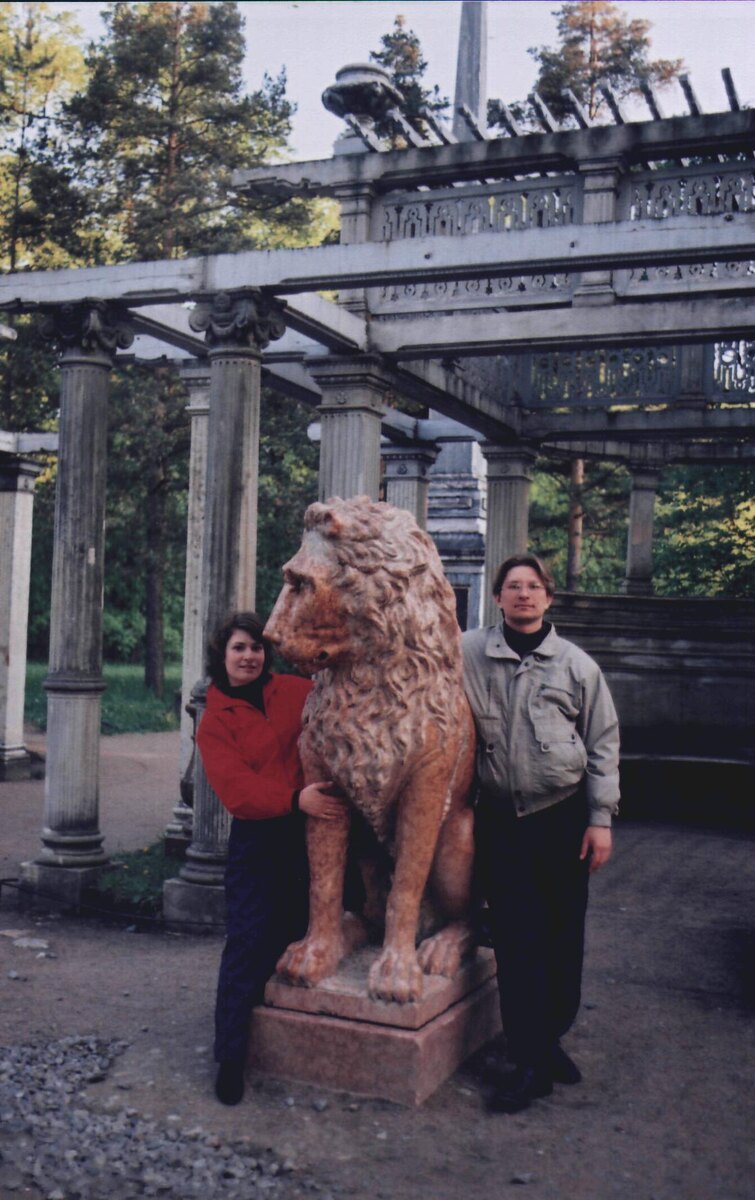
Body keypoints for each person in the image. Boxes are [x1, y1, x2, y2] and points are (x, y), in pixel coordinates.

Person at [462, 554, 620, 1114]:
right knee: (515, 937)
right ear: (498, 598)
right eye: (512, 587)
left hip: (562, 817)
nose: (523, 595)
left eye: (533, 587)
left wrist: (599, 821)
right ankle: (528, 1060)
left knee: (561, 935)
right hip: (502, 820)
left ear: (547, 598)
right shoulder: (467, 654)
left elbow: (603, 746)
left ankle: (549, 1036)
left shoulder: (577, 666)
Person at [196, 612, 344, 1106]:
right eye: (239, 648)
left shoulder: (295, 690)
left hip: (310, 828)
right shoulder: (215, 719)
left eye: (257, 648)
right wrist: (294, 798)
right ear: (223, 655)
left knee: (297, 933)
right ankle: (231, 1057)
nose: (249, 656)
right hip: (260, 837)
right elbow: (237, 791)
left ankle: (290, 1044)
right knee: (246, 941)